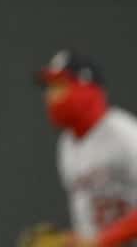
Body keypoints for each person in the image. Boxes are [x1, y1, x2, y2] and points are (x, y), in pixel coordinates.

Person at [28, 50, 137, 247]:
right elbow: (89, 233)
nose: (51, 96)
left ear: (86, 87)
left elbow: (97, 241)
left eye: (60, 86)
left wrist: (103, 239)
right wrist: (71, 241)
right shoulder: (67, 147)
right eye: (50, 88)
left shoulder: (124, 134)